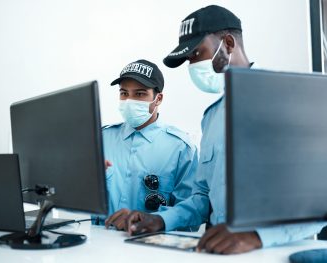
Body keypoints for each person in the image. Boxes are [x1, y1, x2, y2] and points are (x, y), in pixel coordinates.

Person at [124, 6, 326, 254]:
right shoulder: (212, 117)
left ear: (228, 43)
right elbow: (203, 196)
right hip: (221, 253)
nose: (192, 65)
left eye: (197, 53)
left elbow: (320, 201)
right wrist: (163, 220)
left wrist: (257, 236)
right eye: (189, 59)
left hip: (274, 253)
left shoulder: (290, 99)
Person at [98, 59, 198, 230]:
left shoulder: (181, 148)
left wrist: (155, 220)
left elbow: (193, 212)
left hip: (149, 248)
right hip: (97, 245)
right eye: (124, 93)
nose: (129, 101)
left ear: (158, 98)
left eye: (139, 94)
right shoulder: (101, 138)